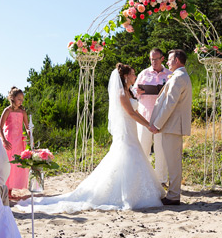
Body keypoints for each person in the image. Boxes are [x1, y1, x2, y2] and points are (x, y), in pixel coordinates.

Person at [26, 64, 164, 213]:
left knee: (133, 157)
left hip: (131, 130)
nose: (135, 76)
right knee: (125, 157)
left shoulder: (129, 91)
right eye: (132, 74)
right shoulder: (121, 93)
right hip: (125, 131)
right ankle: (125, 194)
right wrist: (149, 125)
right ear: (125, 76)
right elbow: (131, 113)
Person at [150, 49, 193, 206]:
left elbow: (169, 104)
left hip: (173, 126)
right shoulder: (179, 76)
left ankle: (174, 196)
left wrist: (157, 124)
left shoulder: (179, 77)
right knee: (172, 161)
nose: (167, 62)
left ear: (177, 61)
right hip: (172, 126)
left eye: (169, 59)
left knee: (173, 162)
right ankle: (173, 194)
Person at [134, 47, 173, 156]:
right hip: (145, 117)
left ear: (162, 59)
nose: (153, 62)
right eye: (152, 59)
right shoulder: (144, 73)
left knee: (161, 152)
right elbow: (132, 92)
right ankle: (143, 173)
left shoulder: (170, 74)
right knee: (142, 149)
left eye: (156, 59)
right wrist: (137, 91)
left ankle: (161, 174)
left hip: (162, 117)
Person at [0, 87, 29, 193]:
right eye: (19, 99)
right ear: (12, 98)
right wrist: (3, 140)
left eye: (22, 99)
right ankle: (6, 190)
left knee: (16, 166)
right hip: (9, 141)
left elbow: (27, 127)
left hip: (19, 142)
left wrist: (29, 134)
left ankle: (11, 190)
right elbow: (0, 127)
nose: (21, 101)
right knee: (8, 165)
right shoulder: (7, 110)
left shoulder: (23, 112)